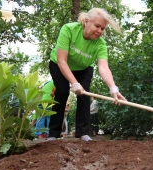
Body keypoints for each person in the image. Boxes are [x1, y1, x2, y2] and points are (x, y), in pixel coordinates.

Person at [47, 7, 126, 141]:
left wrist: (113, 88)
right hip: (60, 64)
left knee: (84, 93)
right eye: (97, 26)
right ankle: (53, 134)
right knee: (62, 91)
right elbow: (61, 60)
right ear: (85, 21)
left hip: (83, 68)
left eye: (103, 28)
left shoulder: (100, 44)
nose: (100, 31)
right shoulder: (69, 29)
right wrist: (74, 83)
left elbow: (104, 67)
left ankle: (83, 133)